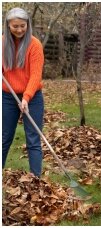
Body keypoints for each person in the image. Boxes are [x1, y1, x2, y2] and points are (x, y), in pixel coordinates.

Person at [2, 8, 45, 177]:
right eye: (15, 26)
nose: (19, 30)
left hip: (33, 97)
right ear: (7, 26)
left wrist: (26, 97)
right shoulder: (2, 43)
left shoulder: (34, 45)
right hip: (7, 96)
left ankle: (36, 179)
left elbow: (36, 75)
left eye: (22, 25)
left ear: (28, 24)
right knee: (4, 137)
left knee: (33, 139)